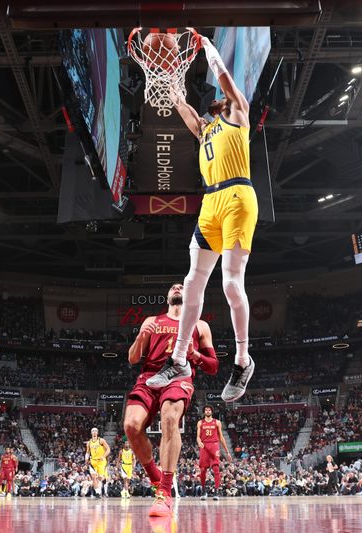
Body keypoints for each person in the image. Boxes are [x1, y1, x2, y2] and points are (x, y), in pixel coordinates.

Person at [146, 34, 257, 403]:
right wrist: (166, 73)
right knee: (192, 281)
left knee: (229, 285)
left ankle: (242, 360)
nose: (216, 98)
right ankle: (178, 359)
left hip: (239, 197)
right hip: (211, 202)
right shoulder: (207, 128)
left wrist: (206, 46)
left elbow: (224, 76)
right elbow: (184, 108)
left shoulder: (239, 112)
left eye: (218, 96)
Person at [123, 283, 218, 517]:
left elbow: (214, 366)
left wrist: (195, 354)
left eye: (182, 286)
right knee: (130, 426)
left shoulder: (199, 324)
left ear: (188, 295)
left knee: (169, 418)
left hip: (179, 377)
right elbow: (133, 358)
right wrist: (141, 337)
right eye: (173, 287)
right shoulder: (152, 321)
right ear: (167, 297)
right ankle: (156, 479)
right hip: (149, 376)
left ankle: (165, 492)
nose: (177, 287)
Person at [196, 405, 232, 500]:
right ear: (204, 412)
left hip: (214, 445)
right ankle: (204, 491)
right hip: (204, 446)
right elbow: (198, 436)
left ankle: (216, 491)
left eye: (209, 410)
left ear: (211, 411)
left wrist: (227, 452)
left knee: (216, 469)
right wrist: (199, 442)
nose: (208, 411)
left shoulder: (217, 422)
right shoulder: (200, 422)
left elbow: (221, 437)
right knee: (203, 470)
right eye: (206, 410)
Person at [85, 428, 110, 498]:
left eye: (95, 431)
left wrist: (104, 456)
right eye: (93, 431)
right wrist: (86, 459)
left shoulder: (101, 440)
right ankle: (97, 493)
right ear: (91, 433)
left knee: (100, 478)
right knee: (93, 477)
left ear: (97, 432)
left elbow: (108, 449)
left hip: (101, 461)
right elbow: (87, 452)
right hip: (93, 461)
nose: (94, 432)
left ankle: (104, 479)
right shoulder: (89, 442)